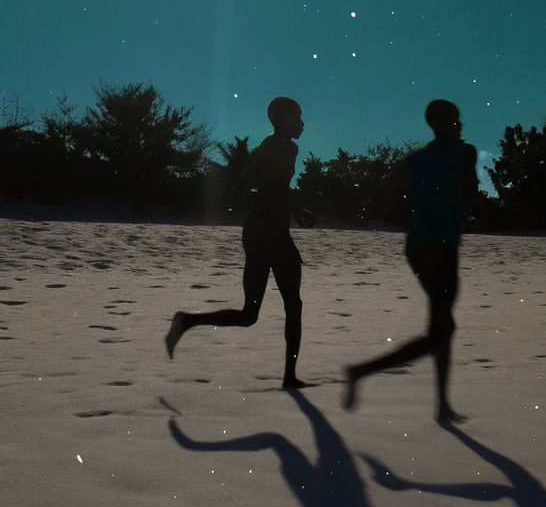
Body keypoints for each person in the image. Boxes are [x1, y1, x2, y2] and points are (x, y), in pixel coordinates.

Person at [165, 96, 315, 389]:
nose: (302, 123)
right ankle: (289, 378)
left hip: (256, 231)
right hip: (272, 232)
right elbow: (270, 192)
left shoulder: (263, 148)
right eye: (297, 116)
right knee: (292, 306)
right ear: (282, 119)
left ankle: (187, 322)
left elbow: (242, 190)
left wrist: (290, 207)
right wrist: (296, 209)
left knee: (249, 314)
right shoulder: (286, 147)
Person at [343, 99, 479, 422]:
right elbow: (471, 193)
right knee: (440, 330)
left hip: (417, 246)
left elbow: (379, 195)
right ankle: (362, 371)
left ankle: (443, 405)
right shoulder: (465, 152)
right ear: (446, 123)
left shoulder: (413, 160)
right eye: (457, 120)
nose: (461, 125)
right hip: (442, 247)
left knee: (442, 326)